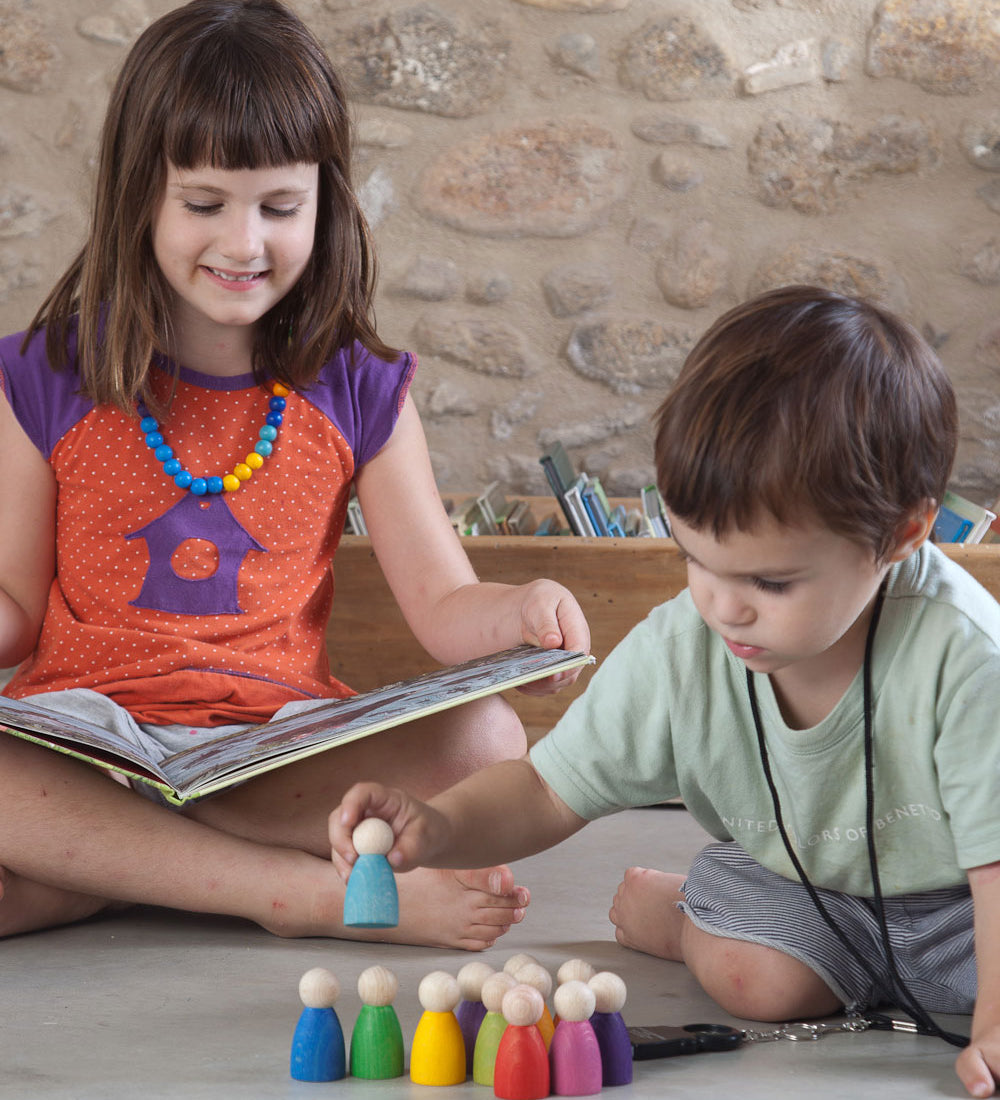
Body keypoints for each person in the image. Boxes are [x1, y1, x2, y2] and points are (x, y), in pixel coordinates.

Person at [0, 0, 589, 949]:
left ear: (326, 198)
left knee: (487, 740)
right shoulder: (41, 375)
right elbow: (15, 614)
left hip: (270, 752)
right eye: (204, 205)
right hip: (84, 744)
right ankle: (301, 891)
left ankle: (99, 869)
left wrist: (521, 614)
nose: (244, 245)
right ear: (137, 196)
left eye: (281, 208)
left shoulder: (361, 389)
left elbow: (444, 604)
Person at [331, 285, 1000, 1098]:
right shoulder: (685, 644)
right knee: (762, 988)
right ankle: (679, 917)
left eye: (769, 580)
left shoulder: (965, 657)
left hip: (964, 899)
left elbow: (994, 868)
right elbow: (546, 788)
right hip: (800, 884)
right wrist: (435, 830)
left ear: (901, 535)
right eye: (696, 559)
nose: (721, 605)